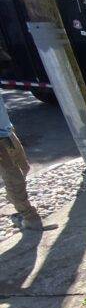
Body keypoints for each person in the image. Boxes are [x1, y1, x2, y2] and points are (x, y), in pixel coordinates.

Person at [0, 94, 43, 230]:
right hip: (1, 142)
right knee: (14, 179)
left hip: (7, 133)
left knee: (24, 167)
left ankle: (15, 199)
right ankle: (29, 217)